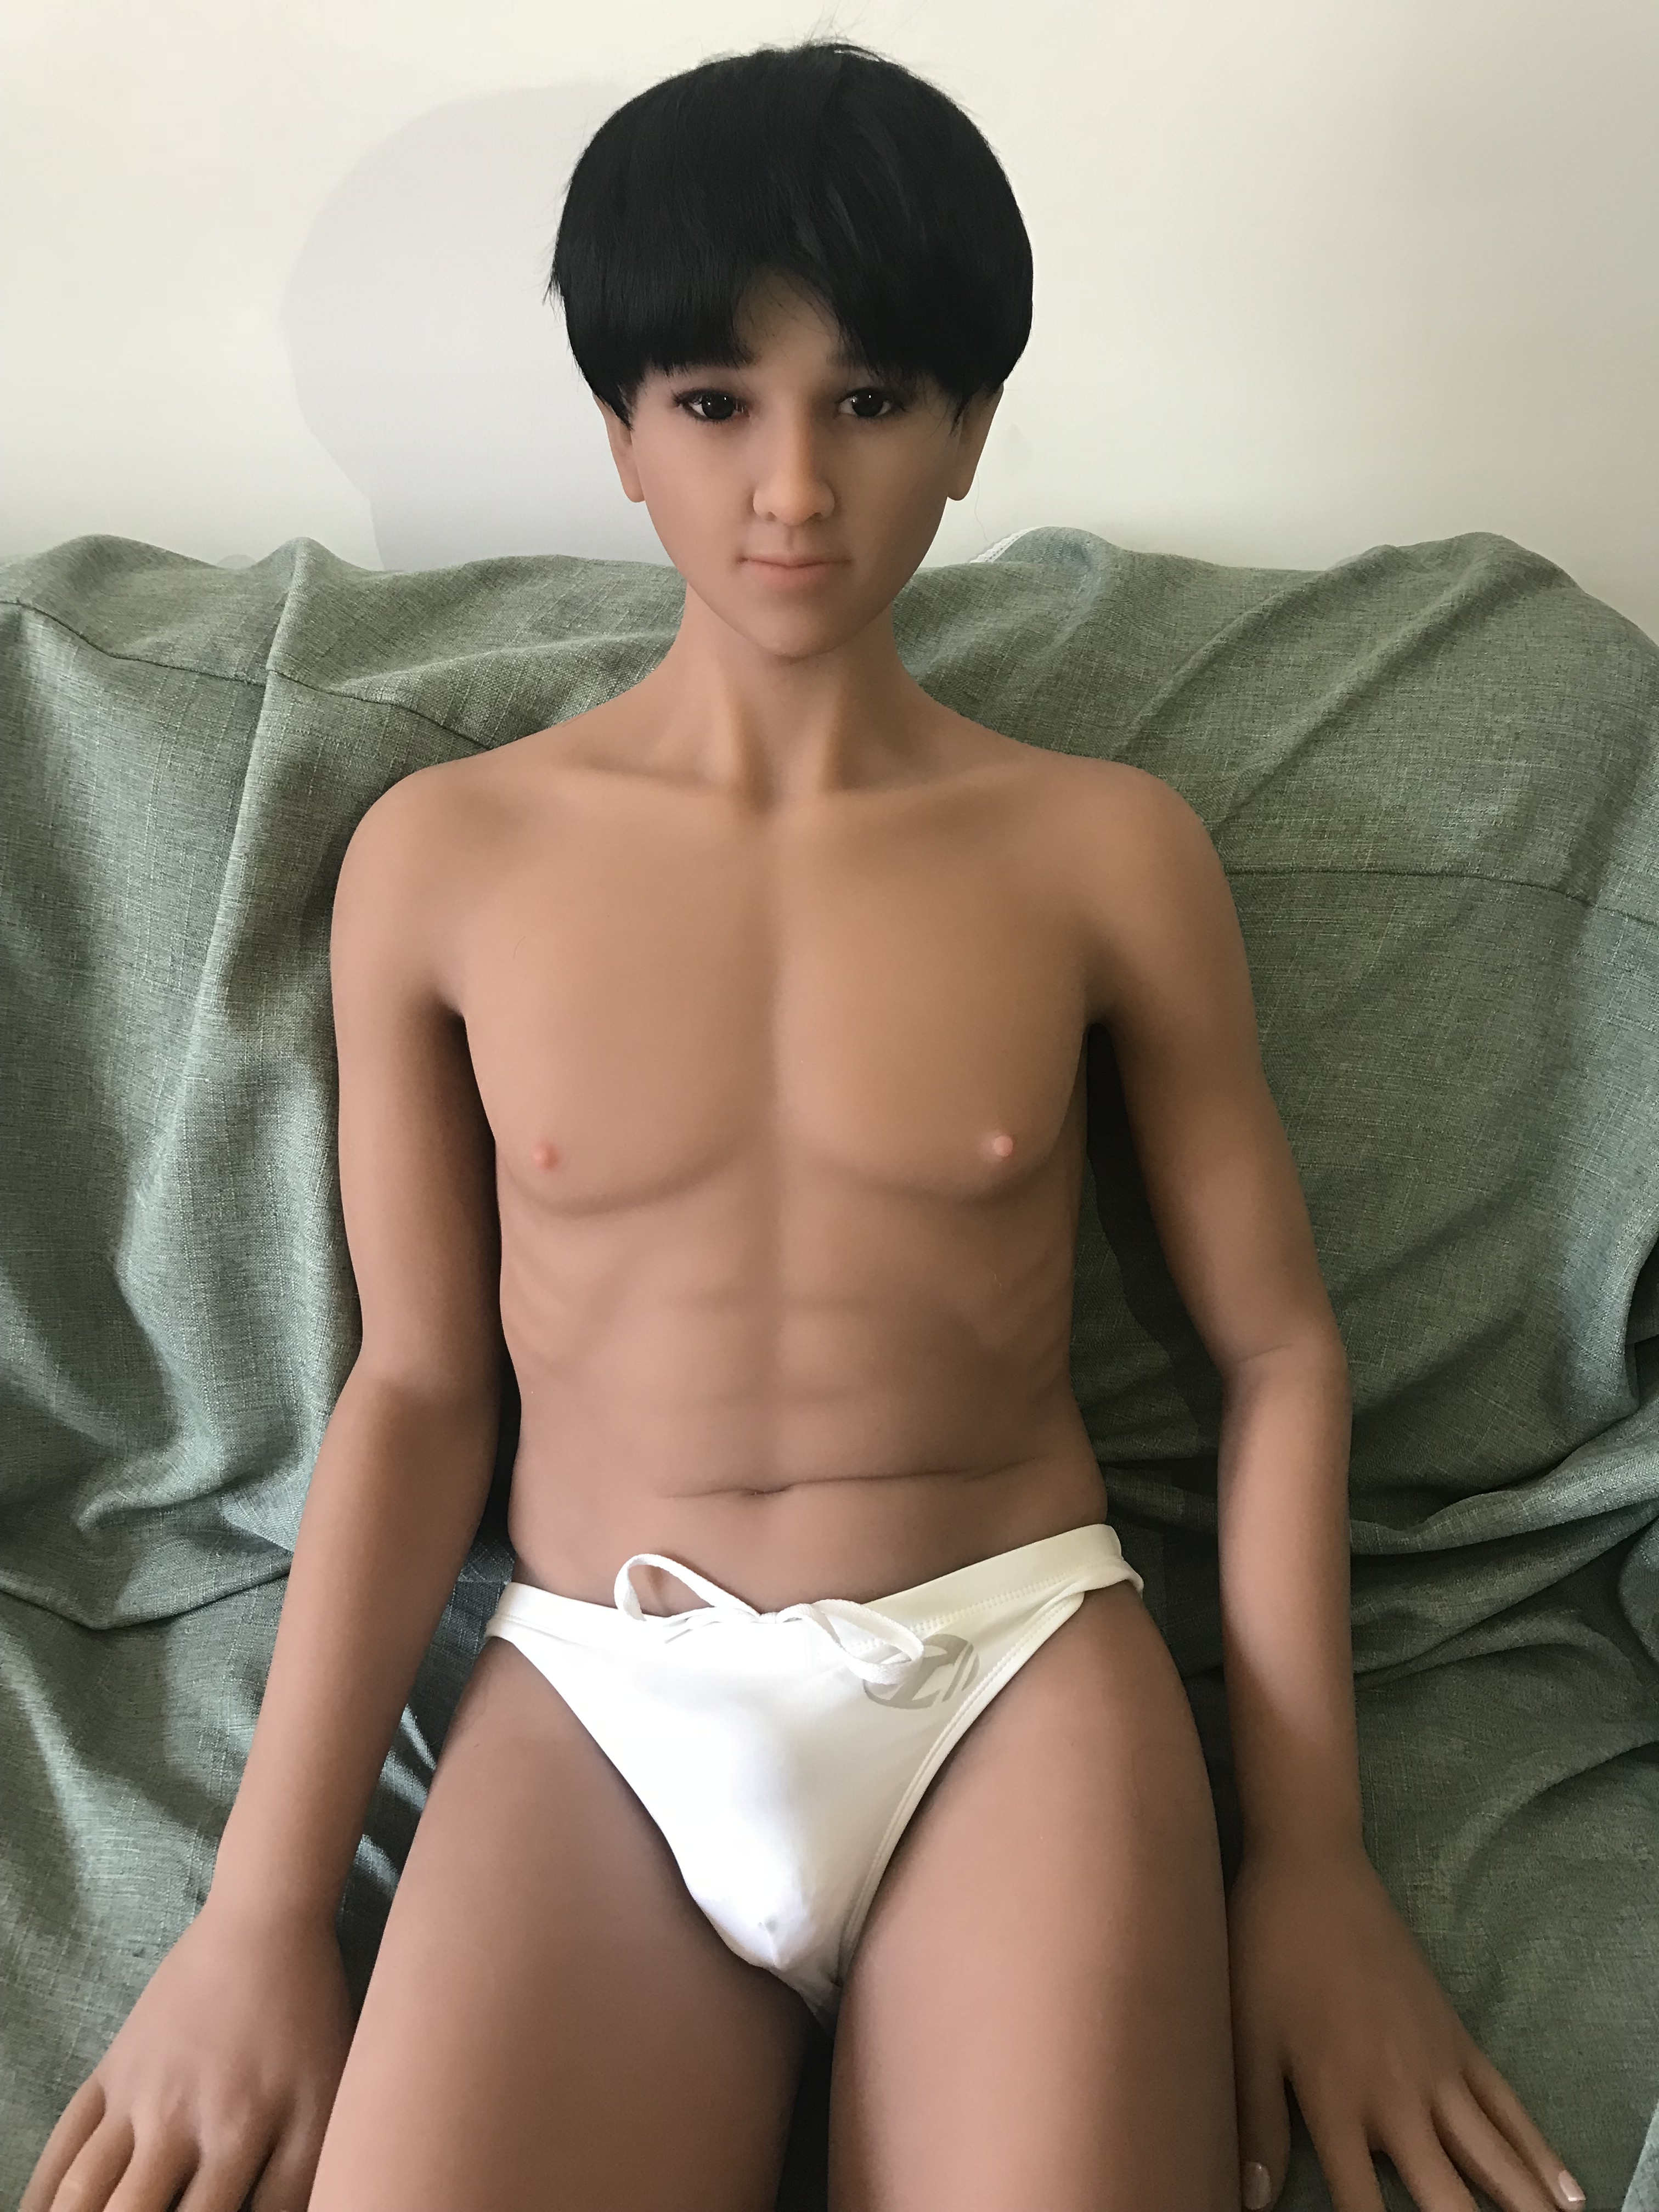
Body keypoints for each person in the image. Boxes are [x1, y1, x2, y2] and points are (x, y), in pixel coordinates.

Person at [22, 35, 1583, 2212]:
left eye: (868, 401)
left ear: (970, 430)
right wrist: (265, 1917)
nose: (791, 489)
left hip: (1010, 1665)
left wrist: (1310, 1863)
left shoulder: (1100, 854)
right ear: (618, 431)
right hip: (598, 1695)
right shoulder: (445, 863)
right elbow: (419, 1384)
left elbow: (1280, 1350)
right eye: (712, 403)